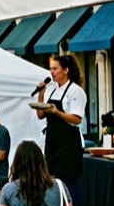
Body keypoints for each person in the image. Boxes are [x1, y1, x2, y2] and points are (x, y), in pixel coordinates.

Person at [36, 55, 86, 195]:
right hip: (52, 143)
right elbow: (40, 115)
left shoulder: (75, 91)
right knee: (52, 182)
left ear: (66, 70)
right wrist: (41, 94)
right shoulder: (52, 89)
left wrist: (56, 112)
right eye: (50, 69)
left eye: (55, 69)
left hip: (68, 146)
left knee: (68, 185)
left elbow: (76, 119)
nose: (51, 72)